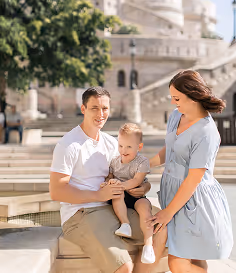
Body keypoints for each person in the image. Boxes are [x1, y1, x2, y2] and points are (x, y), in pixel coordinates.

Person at [50, 86, 167, 273]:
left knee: (160, 228)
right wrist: (98, 195)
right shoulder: (68, 144)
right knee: (123, 268)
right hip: (81, 214)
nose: (101, 113)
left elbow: (129, 174)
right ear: (83, 109)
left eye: (105, 108)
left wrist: (143, 187)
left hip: (111, 207)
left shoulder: (112, 143)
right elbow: (57, 191)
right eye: (94, 108)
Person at [147, 70, 233, 273]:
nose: (172, 103)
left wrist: (168, 213)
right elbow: (169, 151)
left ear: (193, 97)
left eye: (176, 98)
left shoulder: (206, 132)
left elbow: (193, 179)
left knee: (177, 262)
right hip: (175, 195)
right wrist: (142, 165)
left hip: (194, 200)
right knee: (194, 257)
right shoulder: (176, 116)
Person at [101, 123, 155, 264]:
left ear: (139, 147)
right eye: (121, 146)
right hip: (120, 193)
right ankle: (125, 224)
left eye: (129, 147)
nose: (123, 150)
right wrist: (108, 183)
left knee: (144, 207)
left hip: (136, 194)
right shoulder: (114, 161)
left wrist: (121, 185)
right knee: (117, 194)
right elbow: (110, 177)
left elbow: (137, 181)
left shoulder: (142, 162)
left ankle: (148, 245)